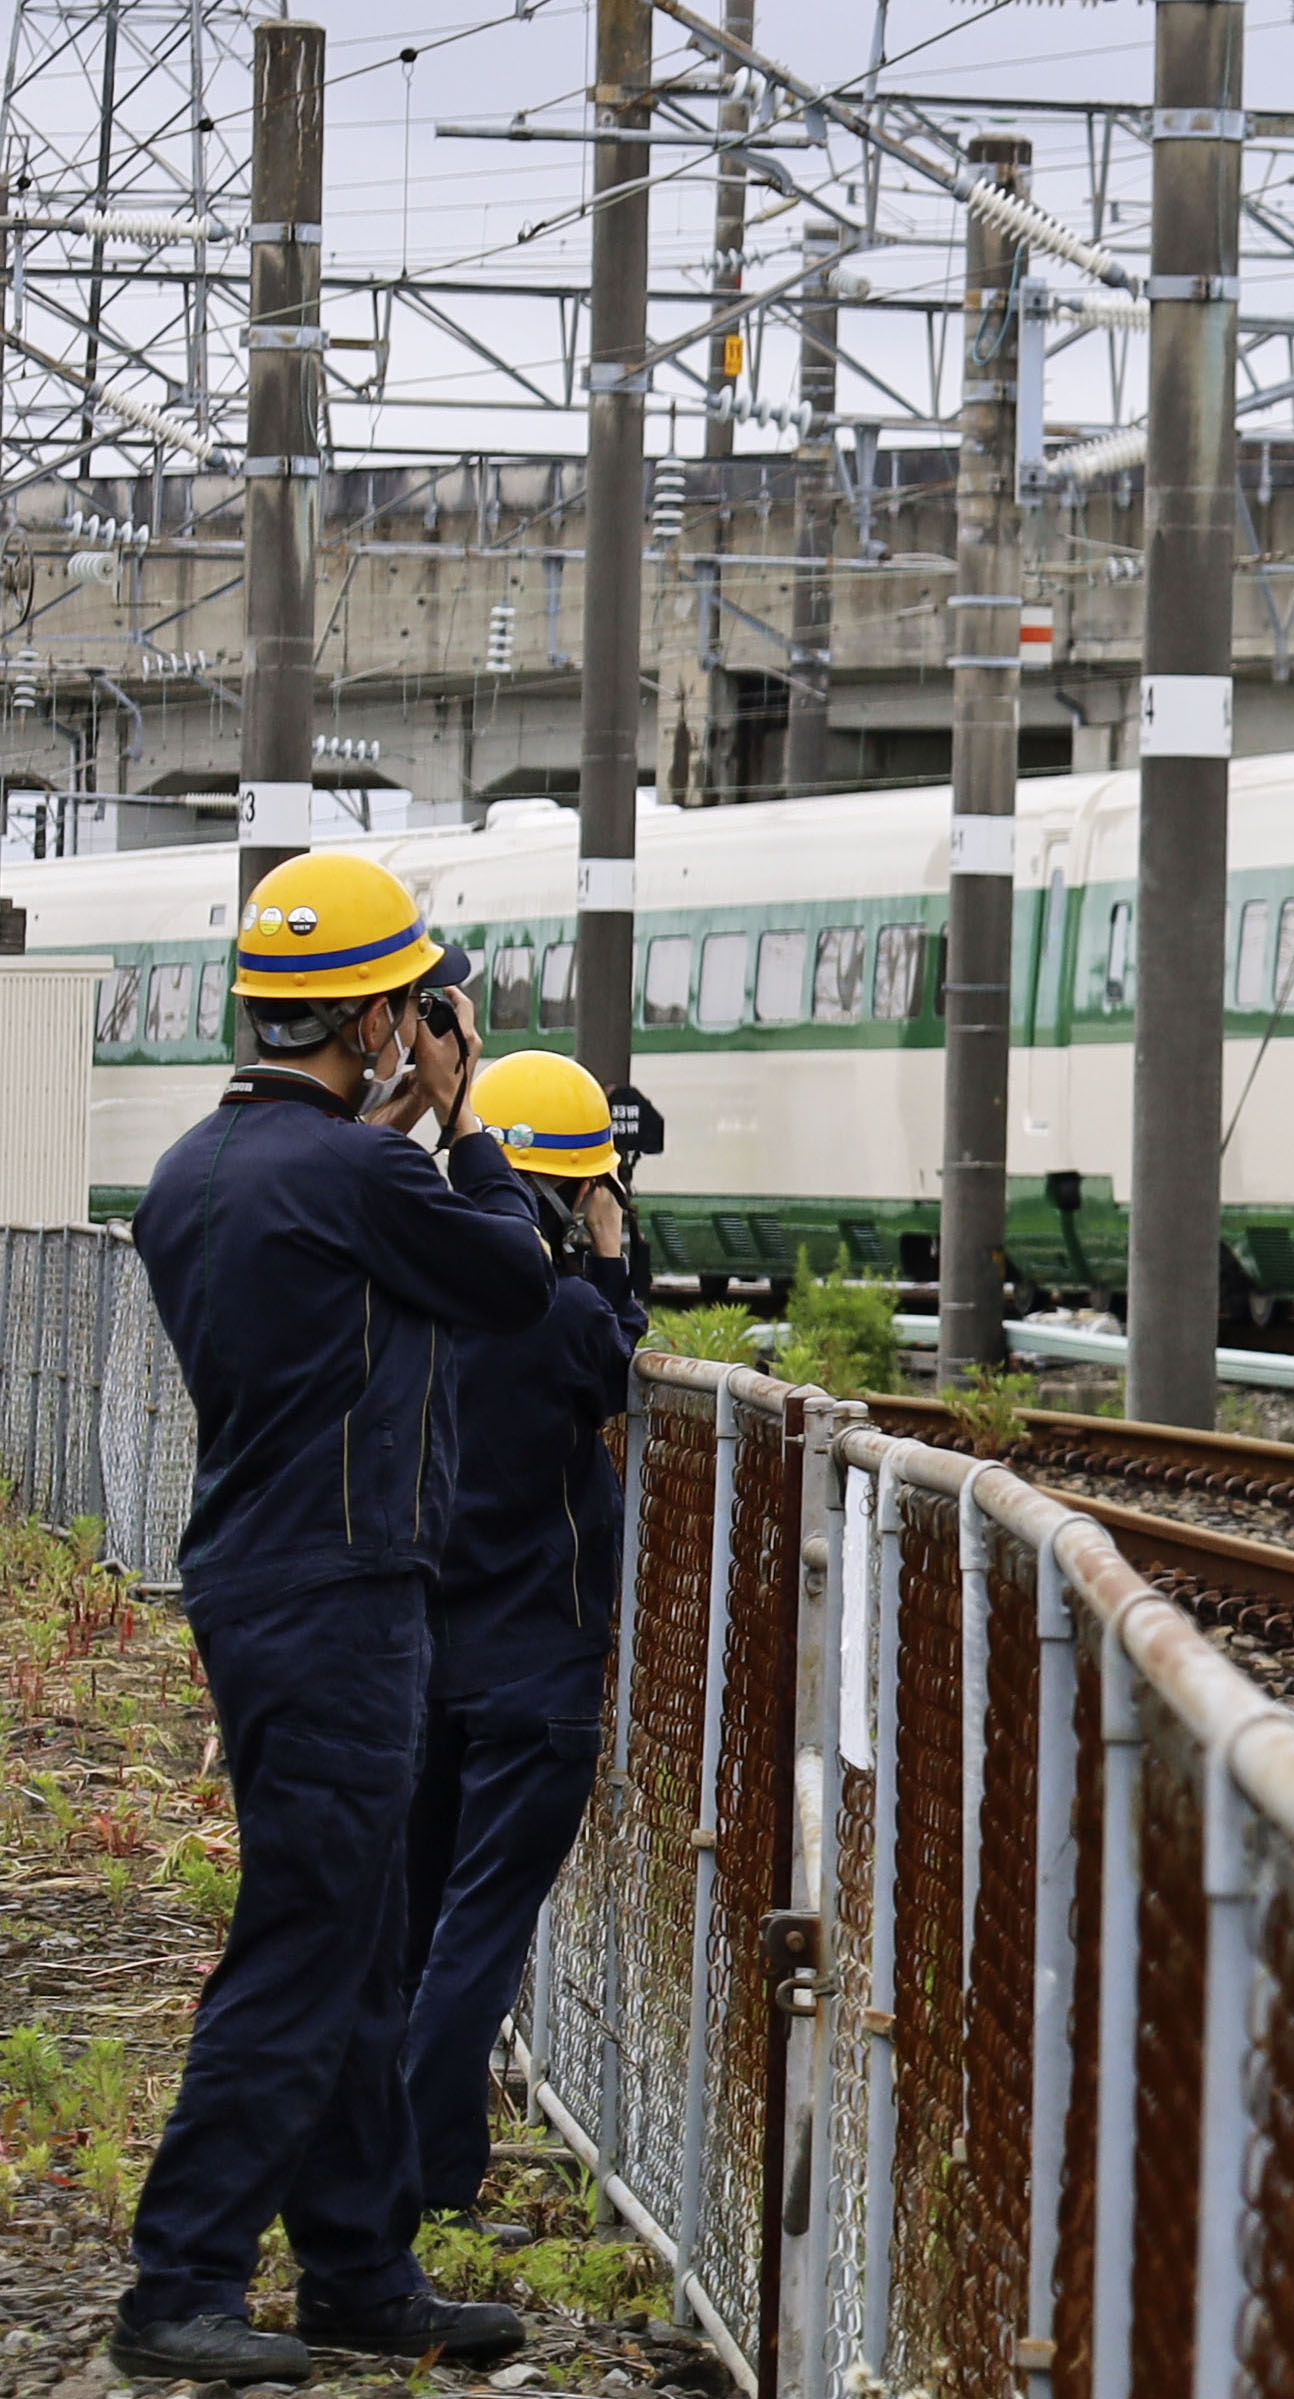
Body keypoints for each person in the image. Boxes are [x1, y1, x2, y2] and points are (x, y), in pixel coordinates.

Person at [117, 851, 554, 2384]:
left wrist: (398, 1126)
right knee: (309, 1939)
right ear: (375, 1019)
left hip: (262, 1576)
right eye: (412, 1011)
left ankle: (359, 2268)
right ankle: (180, 2276)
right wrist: (472, 1118)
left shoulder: (194, 1171)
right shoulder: (367, 1175)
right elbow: (511, 1278)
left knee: (364, 1934)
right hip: (343, 1592)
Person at [401, 1049, 647, 2225]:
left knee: (412, 1919)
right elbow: (616, 1351)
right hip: (536, 1673)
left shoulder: (416, 1297)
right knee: (479, 1933)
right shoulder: (559, 1315)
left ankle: (376, 2167)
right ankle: (430, 2177)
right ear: (567, 1189)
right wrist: (609, 1240)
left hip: (421, 1656)